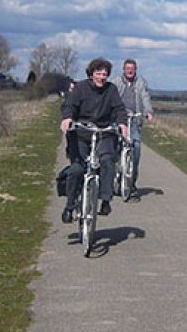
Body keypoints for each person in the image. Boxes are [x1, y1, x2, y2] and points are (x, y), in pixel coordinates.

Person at [60, 58, 128, 223]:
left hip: (103, 132)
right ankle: (69, 206)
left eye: (105, 74)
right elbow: (70, 105)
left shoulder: (111, 90)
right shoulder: (81, 88)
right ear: (91, 74)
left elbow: (119, 108)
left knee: (107, 161)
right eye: (98, 73)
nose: (101, 77)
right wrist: (68, 118)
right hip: (81, 133)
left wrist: (122, 123)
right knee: (77, 169)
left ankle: (105, 200)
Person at [116, 58, 153, 195]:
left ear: (135, 70)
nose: (130, 71)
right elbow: (111, 97)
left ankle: (131, 182)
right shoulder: (117, 82)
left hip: (134, 120)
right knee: (114, 148)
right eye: (127, 68)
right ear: (123, 70)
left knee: (136, 148)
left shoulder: (141, 83)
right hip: (118, 119)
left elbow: (145, 97)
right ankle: (115, 175)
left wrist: (148, 112)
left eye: (132, 68)